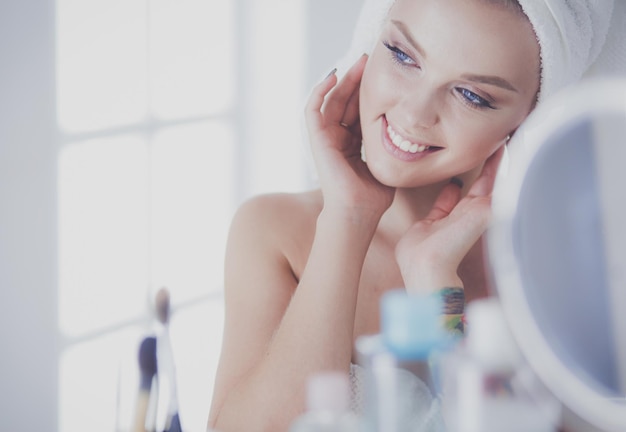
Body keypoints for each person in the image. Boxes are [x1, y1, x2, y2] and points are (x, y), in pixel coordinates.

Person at [207, 0, 617, 431]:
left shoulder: (552, 282)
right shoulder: (273, 231)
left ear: (529, 118)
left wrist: (437, 291)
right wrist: (347, 220)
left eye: (472, 95)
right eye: (403, 55)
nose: (415, 113)